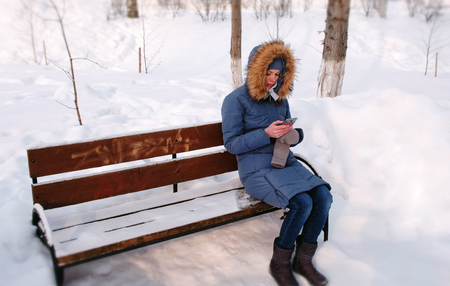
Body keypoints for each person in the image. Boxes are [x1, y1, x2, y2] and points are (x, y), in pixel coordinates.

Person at [221, 40, 332, 286]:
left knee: (323, 196)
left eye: (277, 74)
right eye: (268, 73)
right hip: (256, 170)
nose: (272, 79)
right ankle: (280, 262)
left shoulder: (280, 98)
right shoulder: (235, 100)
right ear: (255, 71)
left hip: (284, 162)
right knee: (301, 203)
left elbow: (286, 134)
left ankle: (303, 260)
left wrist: (293, 134)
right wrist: (265, 133)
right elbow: (231, 144)